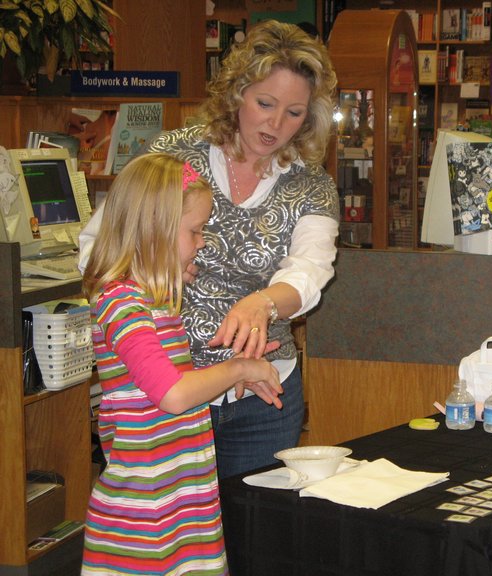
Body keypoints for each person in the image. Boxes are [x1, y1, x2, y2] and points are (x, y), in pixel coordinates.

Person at [79, 20, 340, 479]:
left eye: (295, 112)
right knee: (168, 527)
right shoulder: (174, 156)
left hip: (262, 394)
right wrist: (153, 277)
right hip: (159, 394)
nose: (276, 124)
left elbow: (310, 270)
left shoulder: (311, 184)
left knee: (246, 535)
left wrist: (262, 304)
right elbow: (100, 250)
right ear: (237, 93)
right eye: (265, 103)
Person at [80, 153, 283, 574]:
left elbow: (163, 392)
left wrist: (228, 374)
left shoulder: (157, 307)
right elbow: (172, 395)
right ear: (154, 231)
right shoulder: (122, 303)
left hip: (180, 506)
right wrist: (240, 370)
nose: (202, 241)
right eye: (195, 230)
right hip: (142, 522)